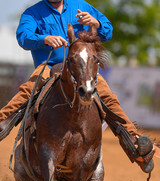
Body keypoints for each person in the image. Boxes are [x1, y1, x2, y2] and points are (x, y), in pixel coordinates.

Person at [0, 0, 155, 168]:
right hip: (50, 66)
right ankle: (3, 121)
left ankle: (134, 144)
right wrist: (44, 38)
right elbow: (23, 37)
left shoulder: (81, 6)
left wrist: (96, 23)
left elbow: (108, 31)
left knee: (109, 98)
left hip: (82, 68)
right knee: (28, 90)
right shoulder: (32, 13)